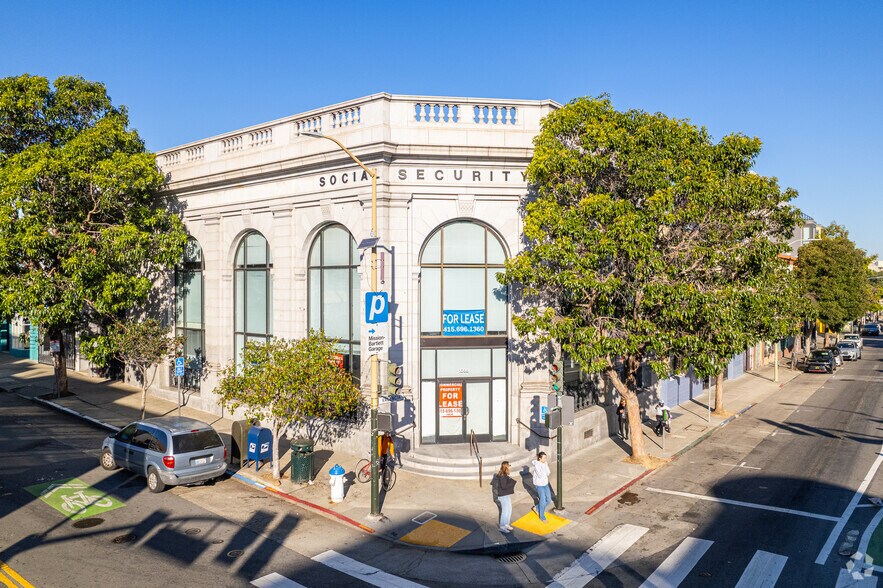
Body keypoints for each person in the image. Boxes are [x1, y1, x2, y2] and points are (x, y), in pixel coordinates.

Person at [496, 461, 516, 533]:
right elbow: (503, 486)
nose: (509, 467)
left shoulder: (504, 475)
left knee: (509, 509)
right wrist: (512, 482)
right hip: (502, 495)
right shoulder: (502, 475)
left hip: (505, 494)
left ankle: (506, 524)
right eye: (509, 465)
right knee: (505, 511)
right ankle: (502, 526)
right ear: (506, 466)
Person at [532, 452, 552, 522]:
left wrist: (545, 465)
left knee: (548, 499)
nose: (545, 459)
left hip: (545, 484)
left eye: (546, 457)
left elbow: (548, 473)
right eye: (544, 458)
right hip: (539, 485)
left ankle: (537, 507)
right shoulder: (537, 465)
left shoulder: (545, 463)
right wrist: (543, 466)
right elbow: (540, 475)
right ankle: (542, 517)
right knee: (542, 500)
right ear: (540, 458)